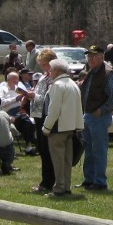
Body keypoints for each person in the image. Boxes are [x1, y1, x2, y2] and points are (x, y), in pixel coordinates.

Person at [41, 56, 82, 197]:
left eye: (51, 70)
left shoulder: (58, 85)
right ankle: (66, 187)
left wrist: (46, 127)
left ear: (57, 71)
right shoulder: (72, 84)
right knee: (66, 160)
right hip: (71, 127)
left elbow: (54, 109)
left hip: (58, 127)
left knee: (58, 160)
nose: (49, 72)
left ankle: (59, 188)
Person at [79, 45, 113, 191]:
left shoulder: (108, 73)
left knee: (99, 150)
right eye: (89, 56)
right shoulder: (91, 72)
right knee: (88, 149)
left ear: (101, 57)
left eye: (94, 56)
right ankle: (89, 179)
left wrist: (102, 111)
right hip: (88, 115)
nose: (90, 59)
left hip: (99, 118)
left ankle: (100, 181)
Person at [29, 48, 58, 193]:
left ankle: (48, 182)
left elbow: (49, 98)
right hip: (38, 115)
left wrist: (34, 96)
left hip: (46, 115)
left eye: (45, 64)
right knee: (42, 148)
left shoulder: (54, 78)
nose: (43, 67)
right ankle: (45, 180)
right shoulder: (43, 77)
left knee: (47, 150)